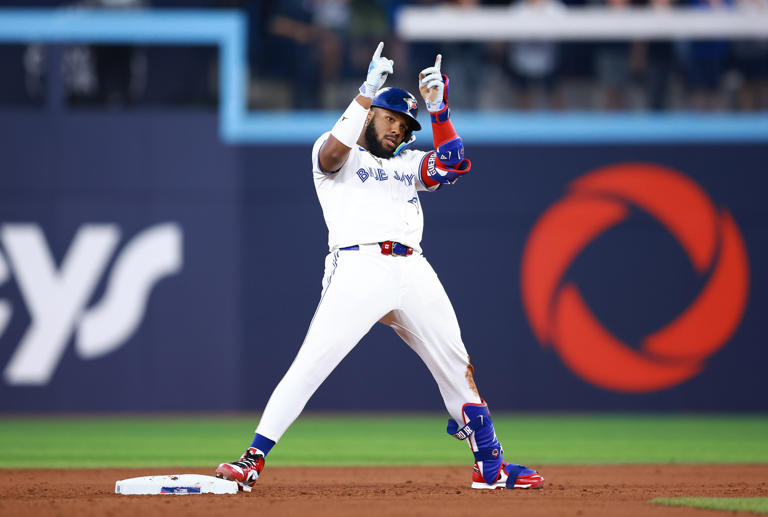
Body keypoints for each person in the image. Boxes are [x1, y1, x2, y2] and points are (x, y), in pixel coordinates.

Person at [215, 42, 545, 492]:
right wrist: (366, 92)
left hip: (412, 270)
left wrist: (440, 111)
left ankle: (490, 466)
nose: (397, 129)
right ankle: (252, 459)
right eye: (390, 118)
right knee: (312, 363)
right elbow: (331, 154)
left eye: (405, 124)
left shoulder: (408, 163)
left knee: (457, 364)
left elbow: (451, 164)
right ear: (371, 115)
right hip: (359, 266)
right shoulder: (340, 156)